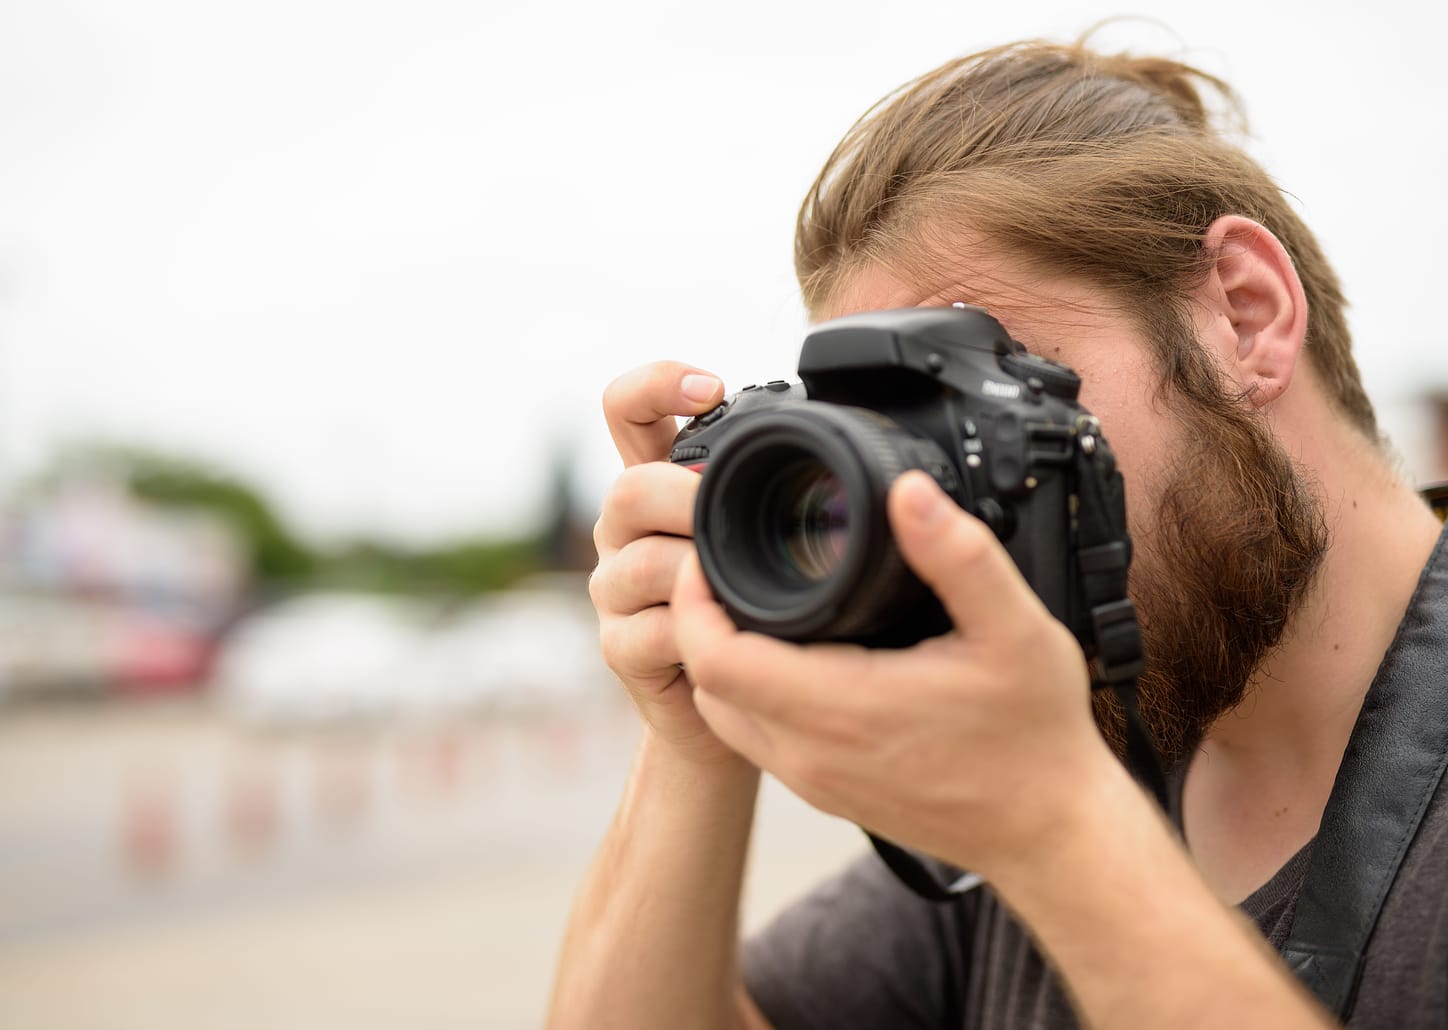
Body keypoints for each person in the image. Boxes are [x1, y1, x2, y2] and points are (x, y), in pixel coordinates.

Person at [547, 34, 1448, 1030]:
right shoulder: (1079, 745)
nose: (953, 504)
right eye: (899, 439)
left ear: (1242, 314)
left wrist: (1051, 828)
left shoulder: (1044, 787)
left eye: (1000, 403)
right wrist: (692, 731)